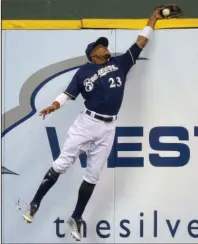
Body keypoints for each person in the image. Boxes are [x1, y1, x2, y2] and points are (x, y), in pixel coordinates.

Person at [23, 8, 162, 241]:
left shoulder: (120, 63)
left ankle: (76, 217)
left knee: (93, 175)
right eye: (100, 46)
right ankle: (34, 203)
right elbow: (68, 94)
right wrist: (54, 105)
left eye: (104, 45)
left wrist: (153, 19)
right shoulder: (84, 72)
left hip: (108, 128)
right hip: (86, 123)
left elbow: (140, 42)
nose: (105, 47)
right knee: (62, 164)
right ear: (93, 54)